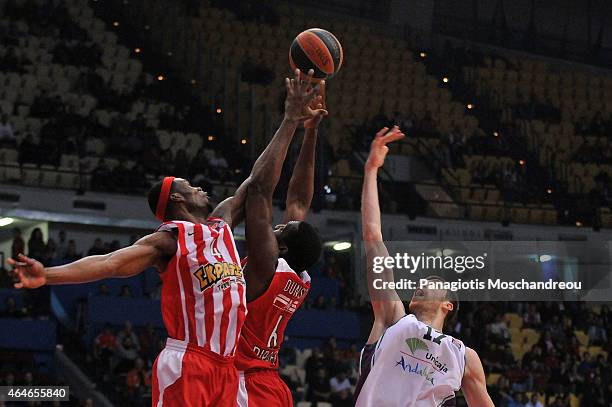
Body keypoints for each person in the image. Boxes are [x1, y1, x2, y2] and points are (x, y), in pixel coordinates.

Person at [8, 68, 322, 407]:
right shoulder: (169, 240)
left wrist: (298, 126)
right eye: (190, 186)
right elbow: (111, 263)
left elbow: (259, 180)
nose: (200, 187)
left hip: (227, 369)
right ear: (177, 199)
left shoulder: (222, 224)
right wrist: (48, 275)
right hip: (189, 360)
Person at [354, 127, 494, 406]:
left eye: (432, 282)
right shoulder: (393, 317)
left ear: (448, 304)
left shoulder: (463, 355)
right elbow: (373, 237)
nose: (420, 284)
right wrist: (371, 170)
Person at [235, 79, 326, 407]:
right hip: (272, 384)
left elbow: (259, 190)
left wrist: (291, 121)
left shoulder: (266, 267)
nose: (274, 226)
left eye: (280, 228)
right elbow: (300, 201)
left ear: (281, 247)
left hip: (243, 382)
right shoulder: (300, 279)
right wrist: (312, 132)